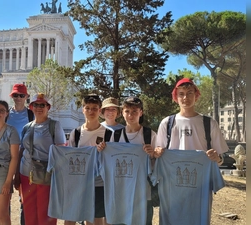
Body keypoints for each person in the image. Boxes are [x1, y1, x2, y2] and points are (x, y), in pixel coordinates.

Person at [153, 78, 228, 224]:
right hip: (172, 188)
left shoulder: (209, 123)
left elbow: (221, 159)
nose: (185, 98)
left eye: (189, 93)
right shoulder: (167, 123)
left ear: (197, 95)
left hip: (199, 187)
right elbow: (158, 155)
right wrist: (157, 153)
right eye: (181, 94)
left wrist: (217, 158)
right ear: (175, 97)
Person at [16, 93, 66, 225]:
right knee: (29, 213)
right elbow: (21, 150)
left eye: (42, 105)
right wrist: (16, 175)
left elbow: (61, 152)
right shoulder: (27, 127)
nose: (39, 108)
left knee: (45, 215)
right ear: (31, 107)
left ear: (47, 107)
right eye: (36, 105)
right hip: (26, 174)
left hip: (46, 175)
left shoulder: (54, 126)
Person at [66, 94, 112, 225]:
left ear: (100, 110)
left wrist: (106, 151)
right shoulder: (76, 133)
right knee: (73, 216)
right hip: (79, 182)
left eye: (94, 108)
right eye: (88, 108)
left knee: (96, 219)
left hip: (99, 183)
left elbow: (112, 161)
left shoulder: (108, 134)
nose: (91, 111)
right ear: (83, 110)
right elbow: (70, 158)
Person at [113, 96, 157, 225]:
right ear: (122, 113)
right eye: (127, 111)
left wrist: (153, 154)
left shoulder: (150, 135)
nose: (130, 115)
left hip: (143, 192)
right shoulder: (115, 136)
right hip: (121, 191)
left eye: (134, 111)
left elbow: (159, 163)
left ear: (141, 113)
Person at [6, 83, 34, 225]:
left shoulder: (31, 114)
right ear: (12, 97)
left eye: (21, 95)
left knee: (24, 197)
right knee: (5, 196)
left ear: (26, 97)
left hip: (25, 158)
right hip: (7, 158)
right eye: (15, 95)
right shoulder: (6, 114)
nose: (18, 98)